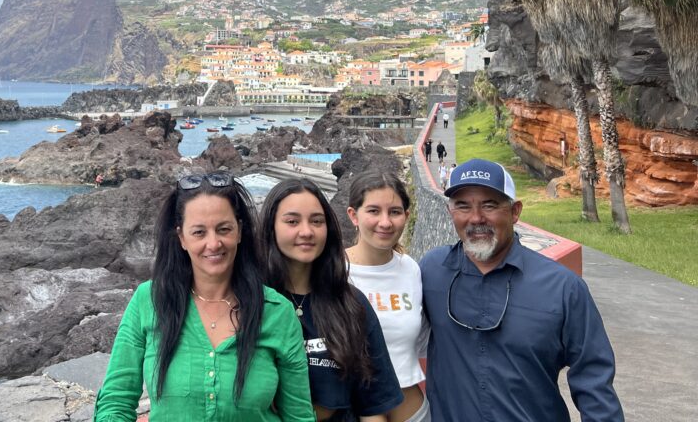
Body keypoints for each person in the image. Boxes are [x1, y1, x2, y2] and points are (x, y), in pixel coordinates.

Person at [95, 172, 315, 422]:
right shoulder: (149, 300)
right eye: (199, 232)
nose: (213, 243)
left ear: (240, 232)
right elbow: (115, 402)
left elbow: (299, 416)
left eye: (224, 229)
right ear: (181, 238)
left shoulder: (277, 312)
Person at [420, 159, 623, 422]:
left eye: (490, 205)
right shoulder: (431, 270)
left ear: (515, 212)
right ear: (450, 212)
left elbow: (594, 379)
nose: (476, 218)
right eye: (462, 206)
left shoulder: (563, 288)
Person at [259, 178, 402, 422]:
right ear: (271, 227)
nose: (306, 231)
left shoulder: (350, 304)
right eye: (292, 221)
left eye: (317, 221)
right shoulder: (250, 302)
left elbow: (374, 404)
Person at [345, 169, 430, 422]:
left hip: (413, 411)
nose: (385, 222)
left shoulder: (411, 269)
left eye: (394, 212)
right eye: (373, 211)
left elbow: (421, 342)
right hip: (353, 411)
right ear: (353, 215)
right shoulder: (333, 273)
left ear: (406, 215)